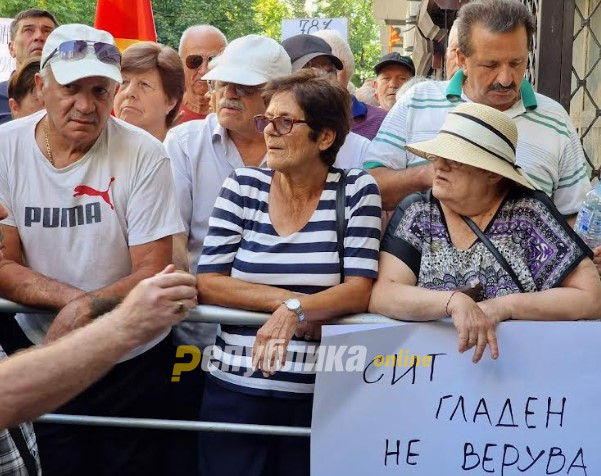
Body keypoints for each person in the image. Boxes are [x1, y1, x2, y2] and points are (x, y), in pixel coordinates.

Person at [0, 23, 184, 476]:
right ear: (40, 85)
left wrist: (84, 313)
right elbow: (2, 262)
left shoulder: (144, 153)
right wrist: (75, 306)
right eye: (72, 88)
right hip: (41, 345)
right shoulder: (5, 147)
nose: (86, 105)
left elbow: (153, 269)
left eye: (100, 91)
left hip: (130, 357)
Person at [196, 68, 382, 476]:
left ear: (326, 137)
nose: (269, 132)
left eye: (286, 122)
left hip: (321, 399)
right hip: (234, 395)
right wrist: (294, 305)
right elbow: (208, 283)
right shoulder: (241, 186)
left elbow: (358, 292)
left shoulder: (355, 191)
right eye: (267, 120)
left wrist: (298, 309)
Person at [369, 102, 601, 364]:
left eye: (454, 159)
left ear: (490, 173)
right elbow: (383, 294)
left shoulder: (527, 212)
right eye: (437, 155)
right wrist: (452, 302)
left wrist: (503, 307)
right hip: (432, 379)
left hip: (520, 381)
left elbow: (589, 297)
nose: (439, 165)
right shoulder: (419, 212)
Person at [364, 0, 591, 217]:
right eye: (490, 65)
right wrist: (428, 175)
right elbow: (370, 188)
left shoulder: (555, 119)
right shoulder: (417, 101)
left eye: (516, 63)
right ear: (462, 59)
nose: (505, 79)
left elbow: (572, 214)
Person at [282, 34, 371, 167]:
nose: (323, 81)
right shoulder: (268, 143)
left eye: (329, 72)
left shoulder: (360, 149)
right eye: (308, 72)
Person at [312, 29, 388, 140]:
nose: (301, 78)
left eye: (311, 68)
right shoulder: (290, 121)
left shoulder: (383, 123)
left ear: (339, 71)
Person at [113, 41, 184, 141]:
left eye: (144, 84)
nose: (129, 93)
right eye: (124, 82)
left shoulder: (184, 154)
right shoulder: (91, 149)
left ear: (171, 101)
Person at [0, 8, 57, 124]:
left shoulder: (75, 97)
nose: (39, 36)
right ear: (11, 48)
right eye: (28, 30)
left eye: (47, 31)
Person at [178, 24, 227, 123]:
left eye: (213, 61)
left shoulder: (236, 117)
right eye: (194, 61)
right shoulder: (162, 111)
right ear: (180, 63)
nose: (204, 70)